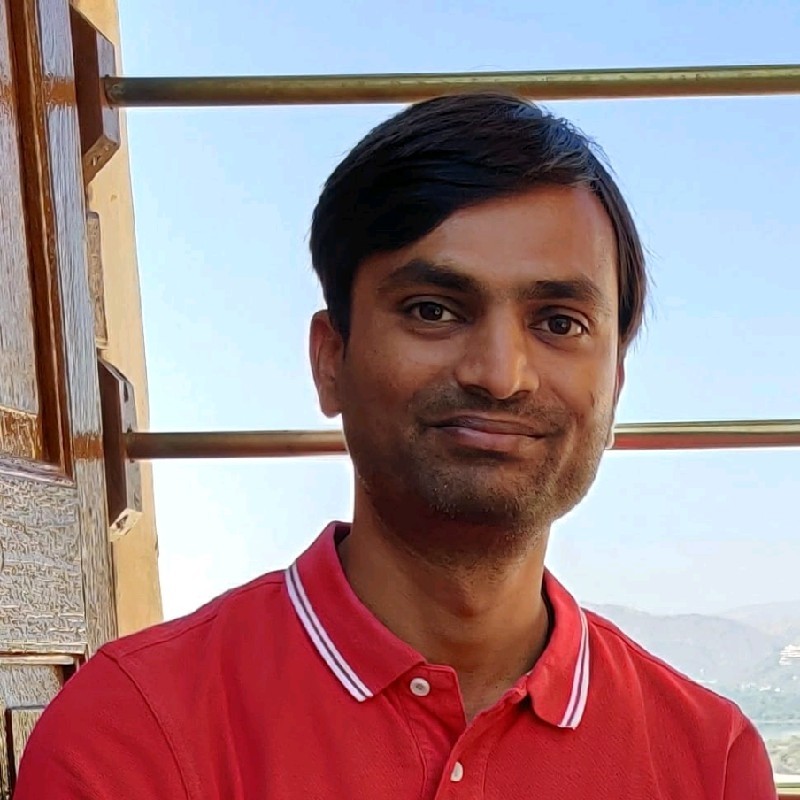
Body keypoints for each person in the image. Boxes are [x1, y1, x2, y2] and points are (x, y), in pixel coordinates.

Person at [16, 93, 777, 799]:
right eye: (433, 309)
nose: (500, 376)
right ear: (330, 359)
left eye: (558, 324)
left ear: (613, 381)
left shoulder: (707, 762)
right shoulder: (136, 733)